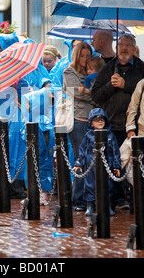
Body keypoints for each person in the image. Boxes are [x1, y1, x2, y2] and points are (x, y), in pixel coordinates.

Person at [91, 33, 144, 211]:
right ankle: (116, 200)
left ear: (133, 49)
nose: (124, 48)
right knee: (114, 164)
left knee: (137, 165)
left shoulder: (142, 68)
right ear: (117, 48)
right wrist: (111, 85)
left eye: (128, 45)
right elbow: (95, 95)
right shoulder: (108, 68)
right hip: (114, 124)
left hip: (136, 126)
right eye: (121, 45)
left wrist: (126, 85)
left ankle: (136, 203)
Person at [62, 41, 94, 211]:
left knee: (92, 159)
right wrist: (93, 92)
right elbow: (75, 92)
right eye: (82, 55)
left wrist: (88, 91)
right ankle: (78, 199)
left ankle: (89, 197)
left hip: (93, 120)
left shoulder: (93, 71)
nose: (85, 58)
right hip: (78, 119)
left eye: (88, 55)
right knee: (81, 158)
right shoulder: (69, 71)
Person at [73, 108, 121, 216]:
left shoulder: (110, 135)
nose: (100, 122)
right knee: (90, 185)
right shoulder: (88, 136)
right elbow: (83, 150)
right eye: (97, 120)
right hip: (91, 164)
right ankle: (90, 205)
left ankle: (107, 205)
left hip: (106, 163)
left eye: (102, 120)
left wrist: (116, 166)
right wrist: (79, 164)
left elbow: (115, 151)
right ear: (91, 122)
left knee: (108, 185)